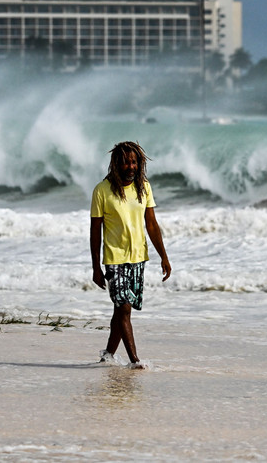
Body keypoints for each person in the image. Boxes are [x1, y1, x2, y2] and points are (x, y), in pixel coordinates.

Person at [90, 141, 171, 368]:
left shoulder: (143, 187)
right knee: (124, 307)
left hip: (138, 257)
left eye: (134, 162)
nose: (131, 166)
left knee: (122, 310)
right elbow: (95, 232)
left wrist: (164, 256)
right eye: (126, 162)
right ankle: (135, 361)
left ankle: (108, 354)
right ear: (116, 164)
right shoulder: (102, 190)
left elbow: (151, 224)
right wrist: (96, 267)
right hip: (114, 258)